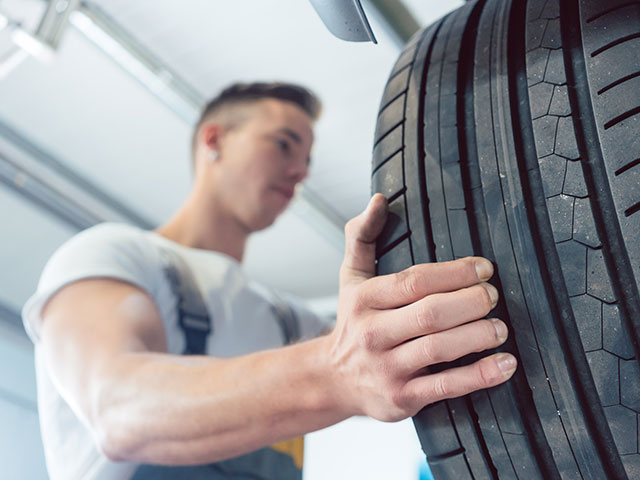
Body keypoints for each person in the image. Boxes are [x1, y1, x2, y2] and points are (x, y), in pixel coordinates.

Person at [22, 82, 517, 479]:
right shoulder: (115, 253)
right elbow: (119, 413)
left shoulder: (286, 319)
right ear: (214, 139)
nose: (299, 171)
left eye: (306, 162)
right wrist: (333, 371)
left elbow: (390, 365)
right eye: (283, 144)